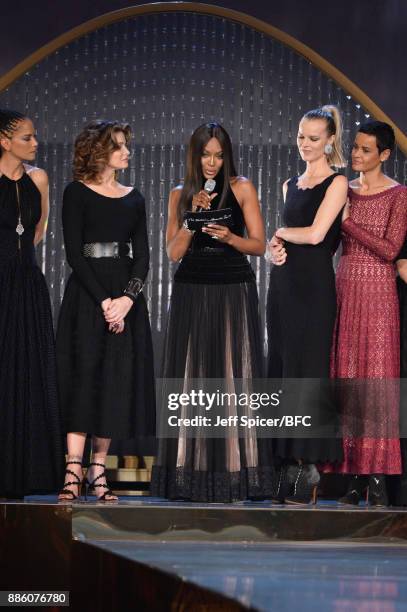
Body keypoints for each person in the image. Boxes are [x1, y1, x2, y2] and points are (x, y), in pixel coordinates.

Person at [150, 121, 273, 503]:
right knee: (192, 382)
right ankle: (189, 475)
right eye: (206, 154)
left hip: (232, 288)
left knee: (234, 377)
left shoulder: (242, 187)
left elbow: (258, 244)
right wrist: (192, 216)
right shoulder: (179, 194)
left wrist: (230, 237)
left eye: (219, 155)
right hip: (191, 288)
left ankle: (236, 475)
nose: (212, 162)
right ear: (195, 155)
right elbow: (173, 252)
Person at [57, 120, 155, 501]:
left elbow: (143, 256)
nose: (127, 152)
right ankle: (72, 470)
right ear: (98, 152)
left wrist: (127, 300)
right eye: (118, 146)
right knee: (84, 377)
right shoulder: (75, 193)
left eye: (125, 145)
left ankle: (99, 471)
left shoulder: (135, 197)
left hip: (125, 298)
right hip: (87, 294)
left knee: (116, 380)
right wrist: (104, 302)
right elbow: (74, 254)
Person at [267, 105, 348, 504]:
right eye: (301, 136)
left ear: (330, 140)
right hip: (283, 286)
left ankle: (309, 464)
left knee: (308, 374)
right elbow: (287, 239)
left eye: (314, 138)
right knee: (283, 372)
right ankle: (287, 461)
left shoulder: (337, 183)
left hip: (314, 288)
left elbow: (317, 235)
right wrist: (273, 249)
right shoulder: (288, 184)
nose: (305, 144)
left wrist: (280, 231)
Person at [333, 121, 407, 506]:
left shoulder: (399, 194)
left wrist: (347, 222)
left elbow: (391, 249)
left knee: (377, 383)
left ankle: (378, 478)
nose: (357, 155)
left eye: (365, 149)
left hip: (379, 293)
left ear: (384, 154)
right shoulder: (343, 189)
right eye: (355, 148)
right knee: (349, 379)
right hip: (345, 288)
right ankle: (354, 477)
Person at [0, 109, 64, 498]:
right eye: (26, 137)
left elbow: (37, 230)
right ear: (4, 141)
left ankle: (25, 472)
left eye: (34, 136)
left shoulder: (38, 177)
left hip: (27, 283)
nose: (35, 143)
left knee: (26, 372)